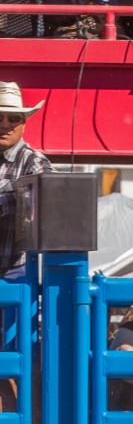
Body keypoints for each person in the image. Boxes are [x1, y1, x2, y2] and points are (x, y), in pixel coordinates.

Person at [0, 82, 51, 280]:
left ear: (23, 123)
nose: (5, 124)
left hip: (11, 275)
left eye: (13, 118)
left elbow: (45, 205)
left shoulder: (35, 162)